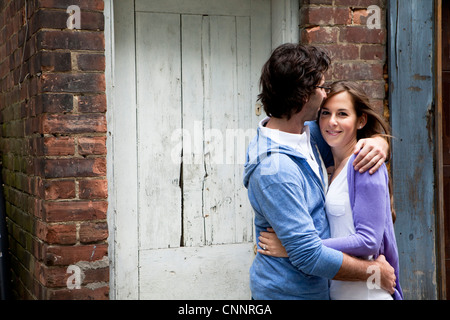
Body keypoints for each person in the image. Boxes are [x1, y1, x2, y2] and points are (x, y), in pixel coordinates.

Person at [243, 43, 396, 300]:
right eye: (322, 88)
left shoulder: (307, 134)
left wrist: (380, 143)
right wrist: (373, 272)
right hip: (289, 294)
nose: (326, 95)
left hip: (322, 290)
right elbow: (308, 255)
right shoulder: (274, 170)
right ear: (304, 97)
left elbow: (349, 137)